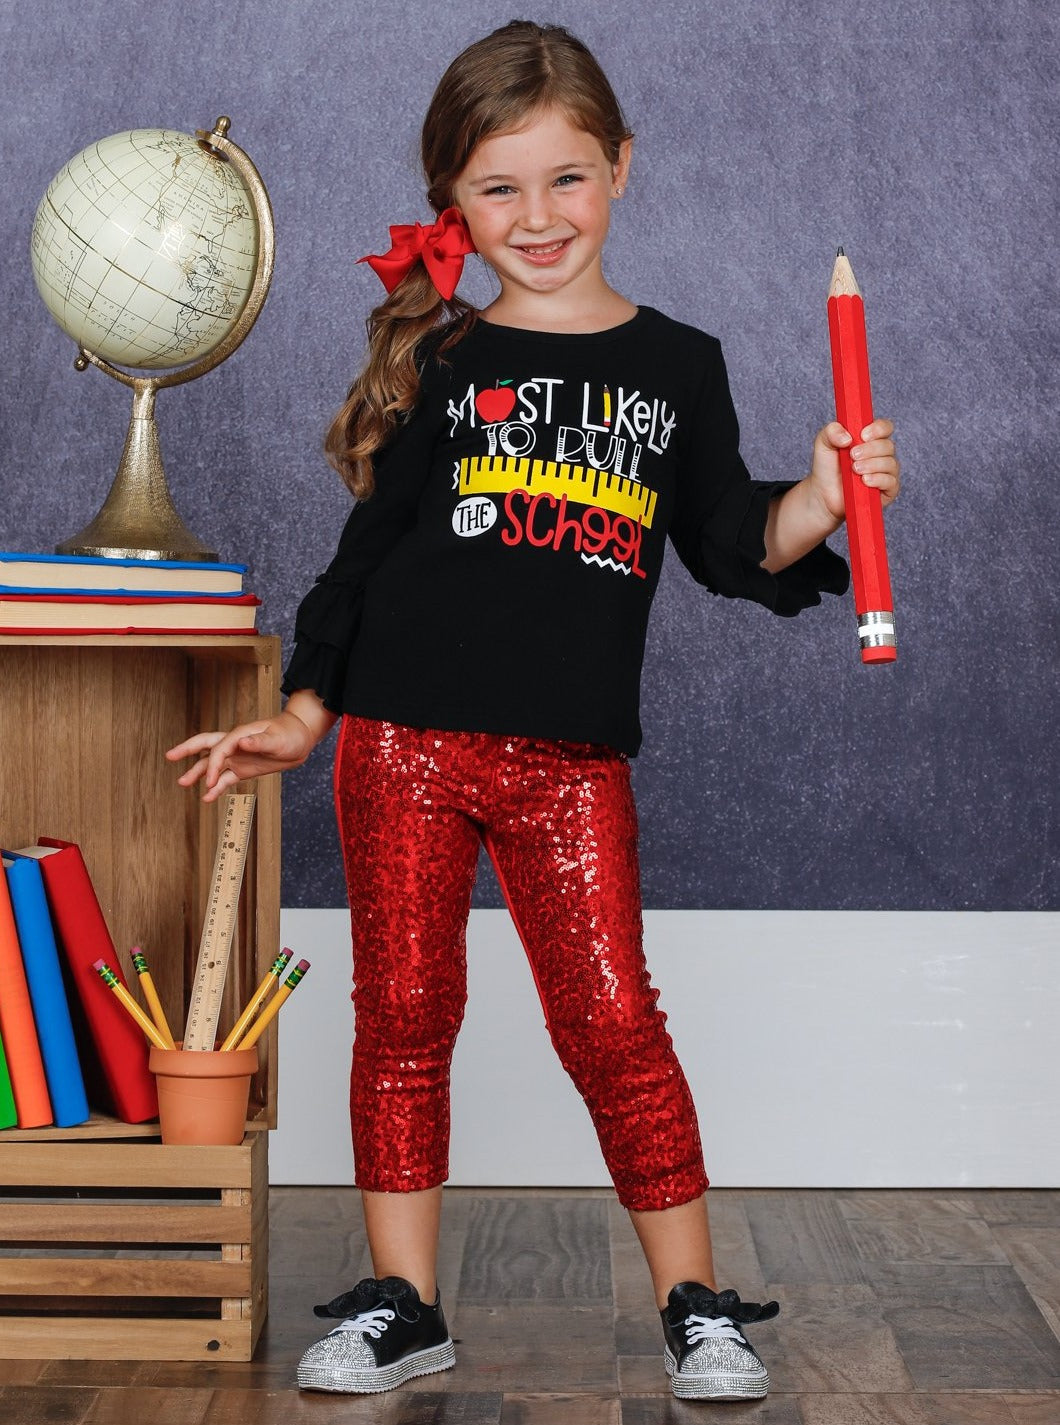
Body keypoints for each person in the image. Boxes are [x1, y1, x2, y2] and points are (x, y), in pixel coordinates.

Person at [167, 19, 899, 1404]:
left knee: (613, 1020)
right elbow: (364, 559)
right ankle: (403, 1304)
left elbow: (730, 542)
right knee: (404, 1013)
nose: (539, 214)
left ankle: (696, 1304)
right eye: (499, 187)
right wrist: (306, 712)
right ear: (453, 200)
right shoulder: (443, 355)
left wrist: (820, 496)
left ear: (621, 167)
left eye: (566, 177)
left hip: (570, 764)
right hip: (401, 744)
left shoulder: (677, 363)